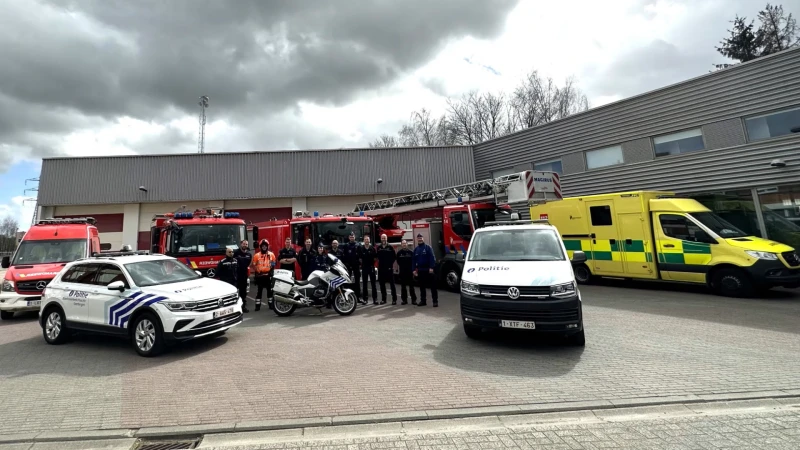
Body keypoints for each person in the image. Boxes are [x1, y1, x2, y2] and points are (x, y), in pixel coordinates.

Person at [412, 233, 438, 307]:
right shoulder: (416, 250)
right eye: (418, 238)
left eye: (421, 238)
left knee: (433, 287)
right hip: (420, 270)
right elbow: (413, 260)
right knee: (422, 287)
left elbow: (432, 258)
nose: (420, 239)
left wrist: (431, 267)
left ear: (423, 239)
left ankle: (435, 301)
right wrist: (413, 270)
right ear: (417, 239)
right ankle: (423, 301)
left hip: (429, 270)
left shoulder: (428, 248)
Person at [251, 239, 276, 311]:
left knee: (270, 291)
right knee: (259, 291)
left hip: (268, 276)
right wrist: (257, 272)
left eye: (265, 246)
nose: (264, 247)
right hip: (260, 276)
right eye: (263, 246)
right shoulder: (256, 255)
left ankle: (271, 305)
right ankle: (257, 306)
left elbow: (273, 263)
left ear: (267, 246)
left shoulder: (272, 254)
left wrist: (271, 271)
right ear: (260, 247)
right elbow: (254, 265)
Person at [376, 233, 397, 305]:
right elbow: (377, 257)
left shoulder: (390, 247)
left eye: (384, 238)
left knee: (392, 285)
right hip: (381, 268)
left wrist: (390, 264)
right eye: (382, 238)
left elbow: (394, 257)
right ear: (381, 239)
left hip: (389, 269)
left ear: (387, 238)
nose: (383, 239)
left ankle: (394, 300)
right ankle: (383, 299)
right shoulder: (379, 248)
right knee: (382, 285)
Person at [233, 239, 252, 311]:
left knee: (243, 292)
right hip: (236, 276)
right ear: (241, 244)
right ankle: (234, 307)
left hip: (244, 276)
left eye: (246, 244)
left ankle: (243, 307)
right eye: (244, 244)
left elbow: (249, 264)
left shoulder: (249, 254)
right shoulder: (236, 253)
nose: (245, 245)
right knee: (235, 291)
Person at [341, 233, 362, 301]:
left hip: (356, 265)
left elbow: (360, 255)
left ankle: (358, 297)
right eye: (350, 237)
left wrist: (359, 263)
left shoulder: (358, 245)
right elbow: (344, 256)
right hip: (348, 266)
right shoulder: (346, 245)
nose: (352, 238)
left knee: (357, 282)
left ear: (354, 237)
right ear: (349, 238)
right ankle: (348, 297)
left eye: (353, 237)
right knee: (347, 282)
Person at [395, 240, 417, 305]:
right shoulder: (399, 253)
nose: (404, 245)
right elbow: (398, 262)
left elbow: (413, 262)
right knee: (403, 287)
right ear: (401, 245)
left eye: (405, 243)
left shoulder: (411, 252)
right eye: (403, 244)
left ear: (407, 244)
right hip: (402, 272)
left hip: (410, 272)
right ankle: (404, 300)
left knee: (411, 287)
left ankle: (414, 300)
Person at [359, 235, 378, 305]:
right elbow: (360, 259)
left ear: (369, 240)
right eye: (365, 239)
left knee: (373, 284)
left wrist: (371, 264)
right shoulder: (361, 248)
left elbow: (375, 258)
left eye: (368, 239)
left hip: (371, 267)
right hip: (364, 268)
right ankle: (365, 299)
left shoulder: (372, 248)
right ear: (364, 241)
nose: (366, 240)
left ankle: (375, 299)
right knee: (364, 284)